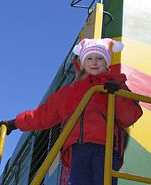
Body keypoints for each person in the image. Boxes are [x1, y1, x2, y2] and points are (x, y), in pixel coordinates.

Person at [0, 38, 143, 185]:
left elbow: (129, 117)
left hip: (106, 146)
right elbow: (42, 114)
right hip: (77, 148)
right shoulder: (69, 91)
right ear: (83, 62)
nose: (94, 62)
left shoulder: (114, 84)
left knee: (103, 181)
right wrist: (14, 123)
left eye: (99, 58)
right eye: (89, 58)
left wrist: (117, 93)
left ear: (106, 62)